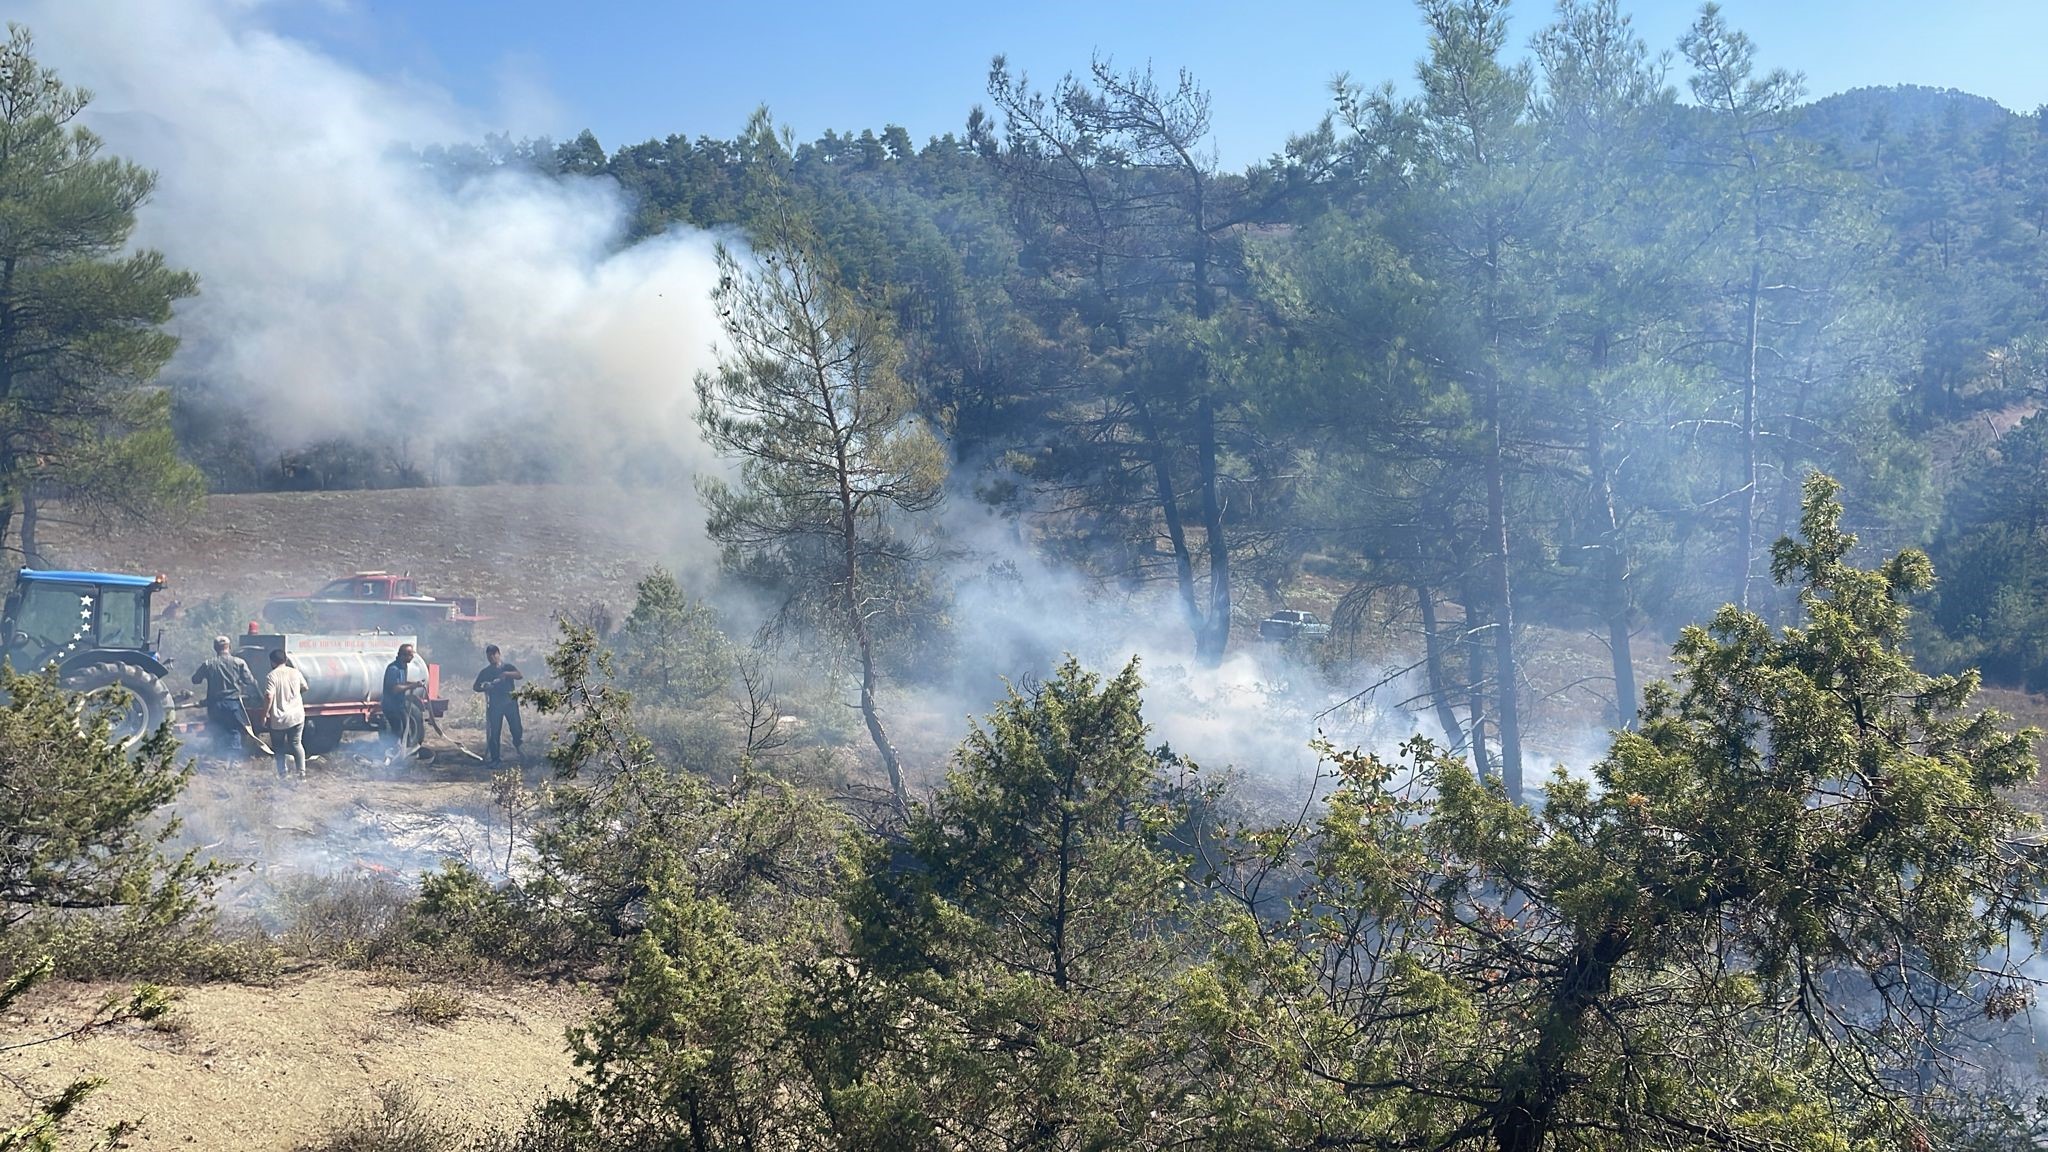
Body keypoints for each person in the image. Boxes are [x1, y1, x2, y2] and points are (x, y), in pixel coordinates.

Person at [190, 636, 258, 751]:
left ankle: (219, 758)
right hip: (233, 703)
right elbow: (250, 681)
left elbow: (195, 680)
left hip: (214, 705)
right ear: (229, 647)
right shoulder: (239, 663)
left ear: (215, 648)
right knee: (234, 730)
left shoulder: (208, 664)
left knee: (217, 731)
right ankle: (233, 760)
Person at [472, 644, 524, 766]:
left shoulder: (507, 667)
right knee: (494, 733)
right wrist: (485, 686)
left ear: (498, 654)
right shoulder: (486, 672)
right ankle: (495, 759)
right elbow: (476, 687)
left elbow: (519, 675)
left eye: (493, 656)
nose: (491, 659)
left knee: (516, 728)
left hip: (510, 703)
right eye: (488, 657)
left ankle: (519, 748)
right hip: (495, 706)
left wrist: (506, 674)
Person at [261, 649, 309, 780]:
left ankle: (283, 774)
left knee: (279, 747)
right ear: (286, 660)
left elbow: (268, 696)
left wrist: (264, 714)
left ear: (272, 662)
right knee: (296, 744)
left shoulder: (272, 676)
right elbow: (305, 687)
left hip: (279, 718)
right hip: (297, 716)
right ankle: (301, 774)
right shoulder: (295, 672)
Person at [381, 642, 426, 760]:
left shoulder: (403, 667)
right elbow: (395, 689)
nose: (412, 657)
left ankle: (404, 754)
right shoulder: (393, 669)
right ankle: (392, 756)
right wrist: (411, 687)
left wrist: (416, 684)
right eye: (410, 655)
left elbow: (403, 683)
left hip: (399, 705)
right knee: (398, 731)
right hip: (391, 707)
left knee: (406, 729)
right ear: (403, 655)